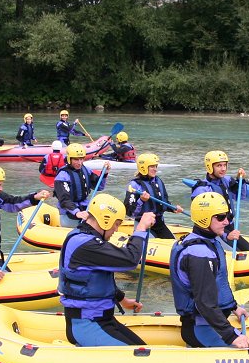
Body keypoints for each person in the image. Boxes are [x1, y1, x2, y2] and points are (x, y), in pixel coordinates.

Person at [58, 194, 155, 347]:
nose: (116, 230)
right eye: (116, 224)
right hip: (88, 324)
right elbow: (130, 259)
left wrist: (122, 299)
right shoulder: (86, 245)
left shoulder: (85, 238)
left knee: (144, 350)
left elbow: (96, 279)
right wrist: (141, 228)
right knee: (141, 359)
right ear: (106, 220)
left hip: (103, 319)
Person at [169, 192, 249, 349]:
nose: (227, 221)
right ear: (205, 218)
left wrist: (233, 307)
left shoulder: (209, 242)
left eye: (227, 215)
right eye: (221, 217)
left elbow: (218, 283)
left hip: (210, 324)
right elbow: (205, 303)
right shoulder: (198, 253)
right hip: (200, 327)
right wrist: (230, 336)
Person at [188, 150, 249, 252]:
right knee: (247, 251)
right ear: (210, 167)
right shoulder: (202, 190)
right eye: (219, 166)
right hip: (214, 232)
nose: (223, 169)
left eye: (225, 165)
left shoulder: (226, 180)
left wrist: (240, 180)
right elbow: (201, 222)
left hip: (229, 226)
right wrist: (226, 235)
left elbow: (241, 196)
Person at [124, 153, 182, 239]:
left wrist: (173, 208)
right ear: (143, 167)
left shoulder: (158, 181)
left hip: (159, 224)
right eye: (152, 167)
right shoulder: (134, 185)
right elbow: (130, 212)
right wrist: (141, 200)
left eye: (156, 166)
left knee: (174, 245)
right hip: (143, 225)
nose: (155, 169)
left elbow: (164, 202)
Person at [53, 142, 105, 228]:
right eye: (76, 159)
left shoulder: (86, 170)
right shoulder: (62, 176)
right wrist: (77, 212)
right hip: (69, 212)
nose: (80, 162)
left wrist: (104, 174)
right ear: (69, 159)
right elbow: (64, 200)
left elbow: (99, 187)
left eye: (81, 159)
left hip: (84, 206)